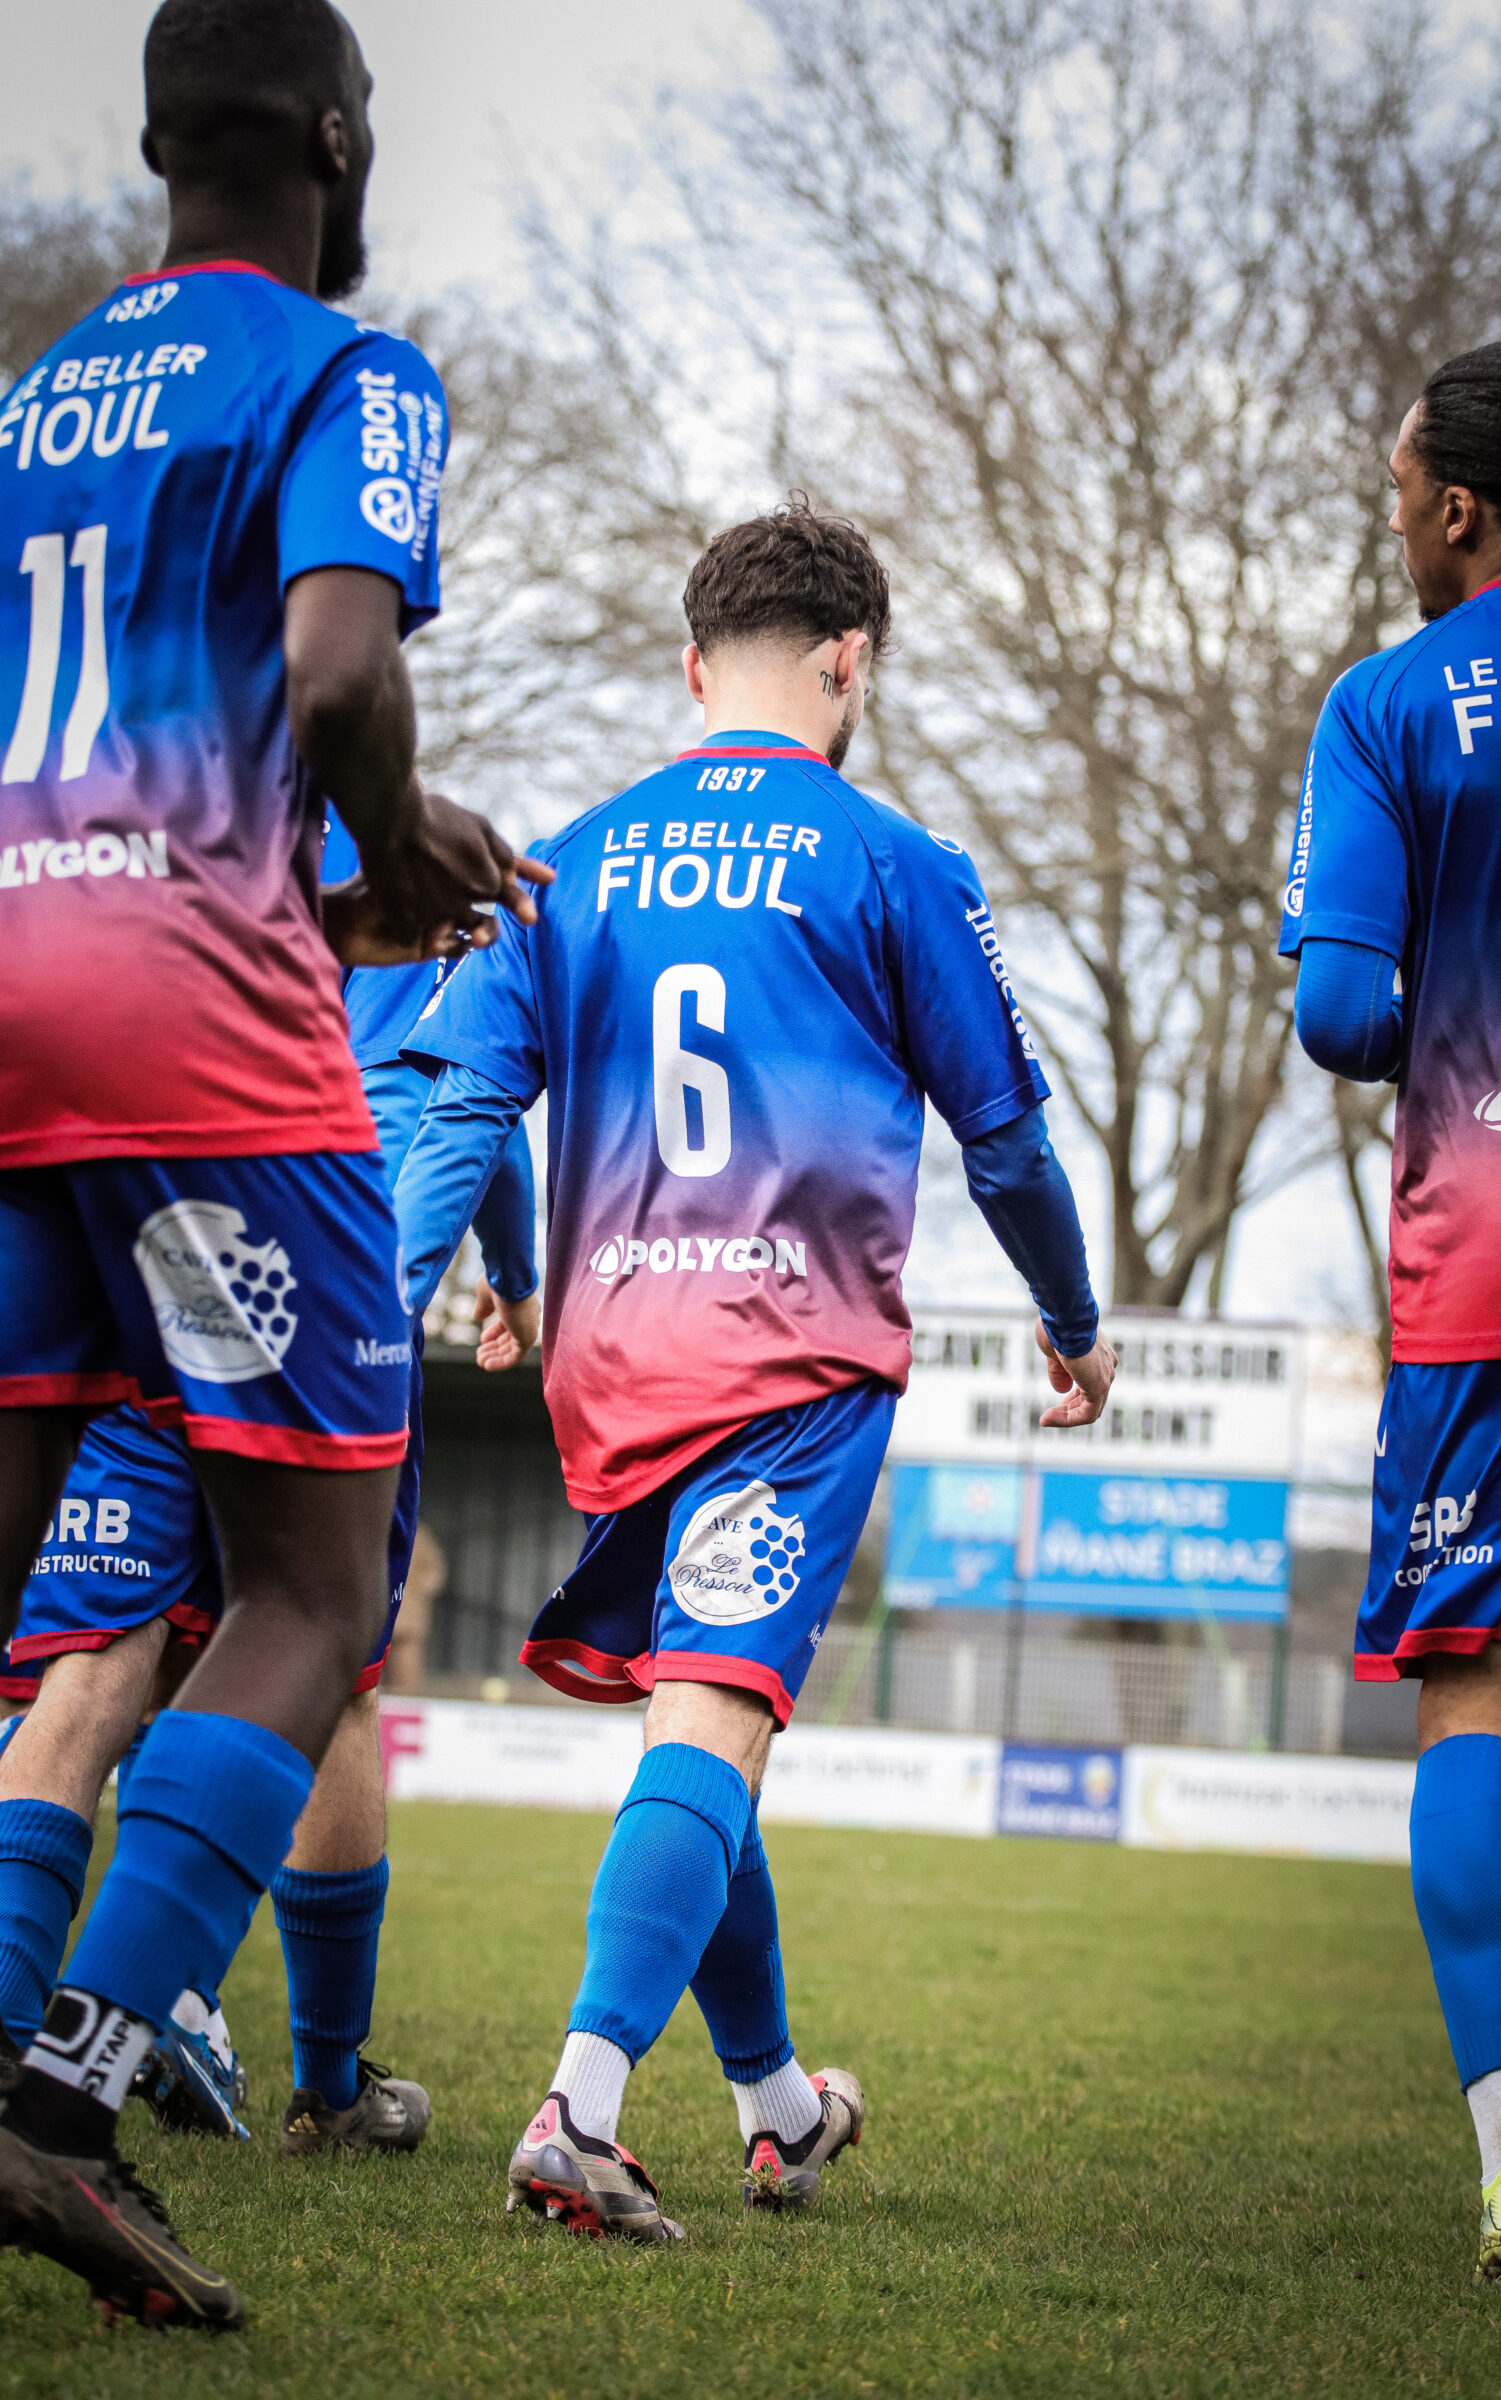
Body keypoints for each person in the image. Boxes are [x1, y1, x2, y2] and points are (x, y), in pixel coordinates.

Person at [0, 0, 545, 2330]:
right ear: (334, 136)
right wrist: (387, 839)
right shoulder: (345, 369)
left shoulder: (31, 397)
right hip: (200, 1028)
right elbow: (332, 679)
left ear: (153, 148)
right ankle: (62, 2104)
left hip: (10, 991)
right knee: (312, 1579)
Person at [394, 498, 1115, 2241]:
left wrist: (381, 1307)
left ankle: (777, 2102)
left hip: (615, 1360)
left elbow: (464, 1104)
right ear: (850, 662)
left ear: (692, 666)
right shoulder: (896, 862)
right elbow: (1008, 1143)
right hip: (792, 1359)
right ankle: (578, 2109)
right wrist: (1076, 1323)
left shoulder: (564, 862)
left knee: (703, 1713)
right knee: (717, 1712)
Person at [0, 936, 539, 2149]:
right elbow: (483, 1091)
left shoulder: (145, 846)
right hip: (325, 1287)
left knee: (88, 1668)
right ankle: (318, 2085)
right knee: (325, 1670)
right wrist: (516, 1282)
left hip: (141, 1251)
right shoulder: (417, 867)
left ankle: (23, 2044)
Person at [1282, 339, 1501, 2288]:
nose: (1391, 518)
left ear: (1458, 509)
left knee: (1482, 1693)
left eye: (1397, 489)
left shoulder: (1388, 703)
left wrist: (1457, 1021)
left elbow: (1338, 1012)